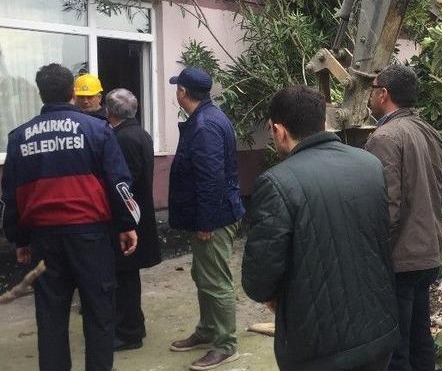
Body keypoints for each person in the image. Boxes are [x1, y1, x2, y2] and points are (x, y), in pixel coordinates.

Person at [242, 86, 399, 371]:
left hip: (317, 349)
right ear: (321, 121)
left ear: (279, 131)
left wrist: (276, 298)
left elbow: (259, 278)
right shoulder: (369, 165)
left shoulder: (276, 182)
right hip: (378, 334)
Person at [1, 63, 139, 371]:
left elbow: (11, 195)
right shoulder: (97, 130)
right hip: (90, 238)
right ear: (72, 94)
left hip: (43, 241)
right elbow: (118, 183)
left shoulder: (19, 138)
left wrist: (19, 238)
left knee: (50, 318)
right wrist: (126, 225)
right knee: (99, 314)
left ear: (41, 93)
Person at [364, 64, 442, 371]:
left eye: (373, 89)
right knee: (420, 337)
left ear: (383, 94)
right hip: (427, 252)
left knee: (395, 347)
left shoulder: (384, 137)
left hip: (400, 259)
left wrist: (372, 255)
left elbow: (388, 207)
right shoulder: (429, 132)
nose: (370, 96)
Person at [167, 66, 245, 371]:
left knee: (215, 281)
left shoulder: (205, 126)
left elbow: (211, 178)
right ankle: (208, 330)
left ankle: (226, 345)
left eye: (177, 87)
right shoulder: (205, 118)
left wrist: (206, 222)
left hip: (214, 217)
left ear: (183, 92)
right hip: (211, 214)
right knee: (204, 276)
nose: (176, 91)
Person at [105, 88, 162, 351]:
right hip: (138, 216)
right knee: (127, 276)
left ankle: (129, 332)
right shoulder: (140, 133)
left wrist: (123, 223)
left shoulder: (123, 139)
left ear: (109, 111)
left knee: (124, 277)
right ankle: (131, 326)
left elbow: (123, 185)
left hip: (129, 220)